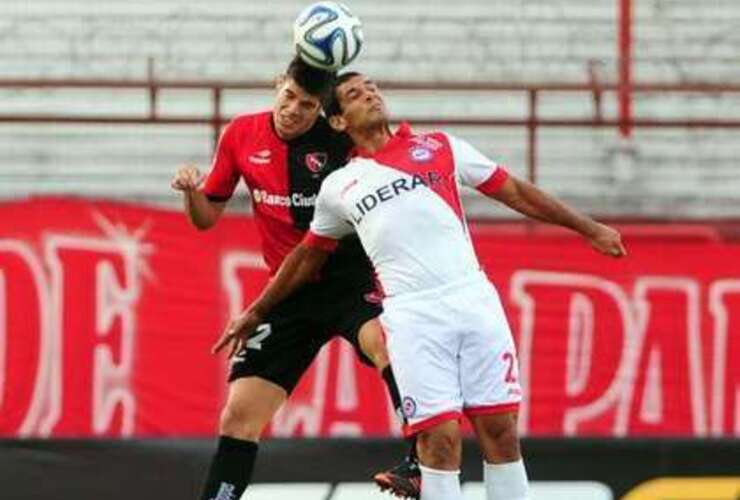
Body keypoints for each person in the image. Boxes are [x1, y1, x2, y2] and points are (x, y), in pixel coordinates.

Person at [214, 71, 627, 500]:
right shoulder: (339, 187)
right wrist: (257, 311)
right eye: (354, 95)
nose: (370, 95)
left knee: (501, 434)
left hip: (474, 301)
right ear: (338, 122)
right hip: (413, 318)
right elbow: (306, 256)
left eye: (372, 87)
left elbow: (515, 191)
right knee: (439, 443)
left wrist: (588, 228)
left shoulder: (441, 147)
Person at [172, 59, 419, 500]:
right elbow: (206, 217)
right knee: (239, 414)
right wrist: (192, 193)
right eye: (288, 97)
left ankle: (419, 459)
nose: (293, 111)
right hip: (288, 291)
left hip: (348, 279)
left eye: (307, 105)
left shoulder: (338, 140)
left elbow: (388, 155)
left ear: (321, 111)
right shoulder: (240, 135)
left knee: (387, 343)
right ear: (277, 87)